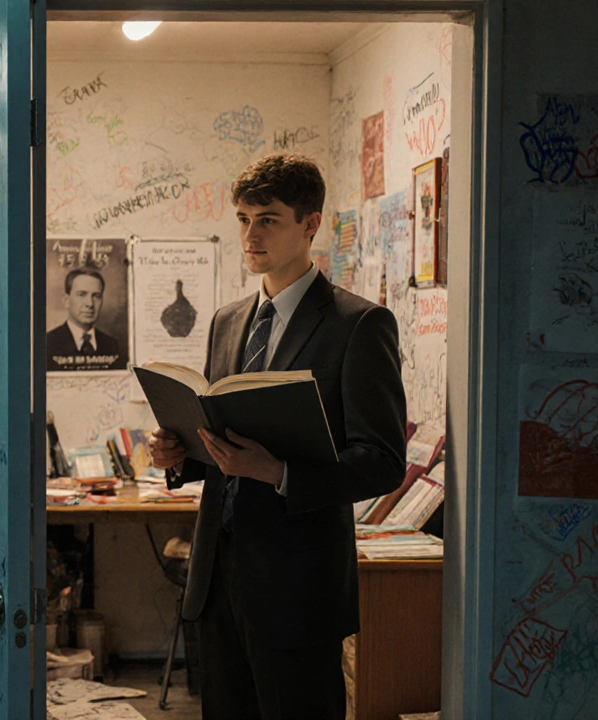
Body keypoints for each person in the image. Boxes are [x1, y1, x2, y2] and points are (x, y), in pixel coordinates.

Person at [148, 154, 405, 719]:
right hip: (218, 577)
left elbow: (383, 463)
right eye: (242, 219)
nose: (250, 234)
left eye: (267, 219)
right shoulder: (227, 319)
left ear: (310, 224)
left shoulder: (358, 325)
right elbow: (223, 441)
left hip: (299, 586)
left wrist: (278, 472)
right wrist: (178, 455)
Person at [46, 266, 127, 371]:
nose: (90, 304)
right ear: (66, 300)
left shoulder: (112, 345)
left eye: (96, 296)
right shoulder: (48, 343)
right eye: (81, 294)